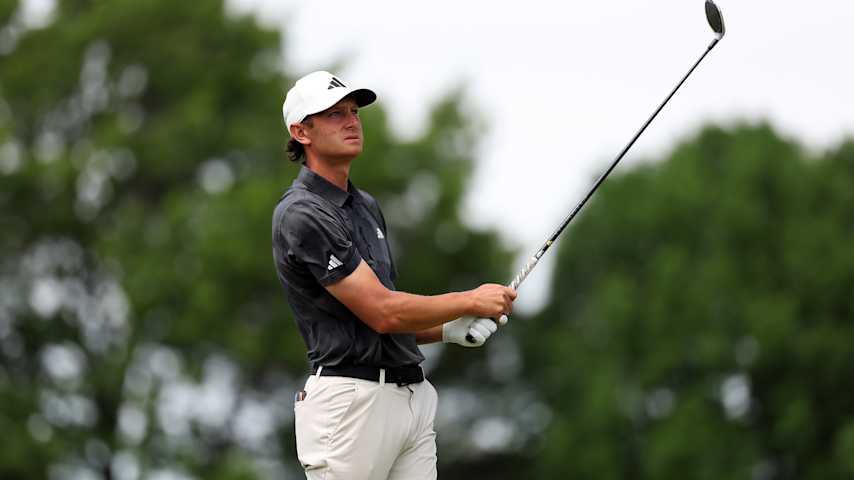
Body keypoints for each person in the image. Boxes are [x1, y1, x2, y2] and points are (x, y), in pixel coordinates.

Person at [272, 70, 516, 480]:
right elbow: (384, 312)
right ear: (301, 132)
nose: (351, 121)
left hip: (410, 397)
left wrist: (446, 329)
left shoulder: (365, 206)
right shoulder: (302, 213)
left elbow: (376, 323)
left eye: (353, 112)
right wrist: (469, 300)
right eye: (334, 114)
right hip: (350, 405)